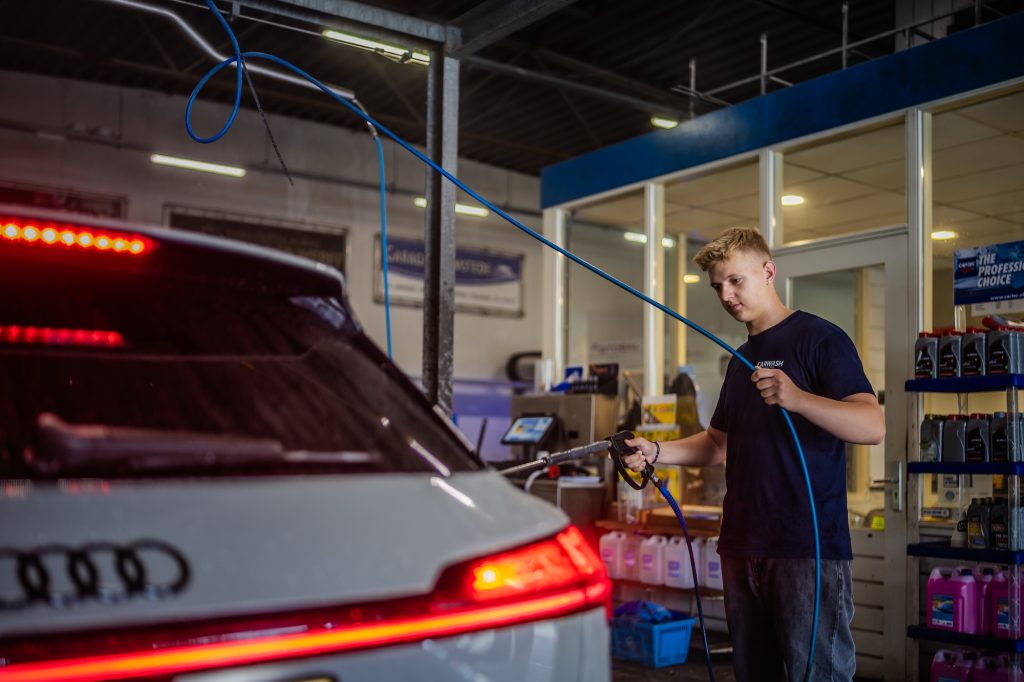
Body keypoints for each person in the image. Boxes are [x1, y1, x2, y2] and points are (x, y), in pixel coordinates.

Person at [623, 227, 884, 682]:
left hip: (807, 548)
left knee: (815, 675)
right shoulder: (739, 358)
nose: (726, 295)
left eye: (736, 281)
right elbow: (718, 444)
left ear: (768, 271)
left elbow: (871, 425)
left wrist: (798, 398)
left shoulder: (820, 339)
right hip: (743, 546)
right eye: (718, 286)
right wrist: (656, 451)